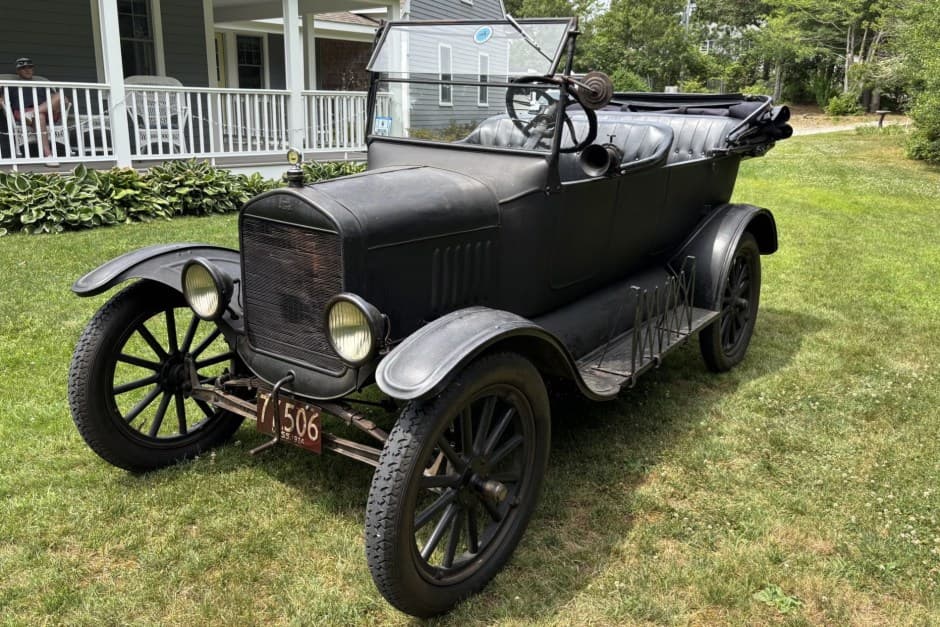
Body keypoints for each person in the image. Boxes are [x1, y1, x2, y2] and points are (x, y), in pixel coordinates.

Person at [4, 57, 69, 165]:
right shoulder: (10, 85)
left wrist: (61, 101)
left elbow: (53, 99)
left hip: (44, 111)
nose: (27, 70)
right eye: (23, 68)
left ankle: (34, 112)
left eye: (30, 67)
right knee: (39, 116)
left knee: (61, 96)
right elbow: (4, 100)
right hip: (23, 113)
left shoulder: (41, 84)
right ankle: (48, 156)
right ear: (18, 71)